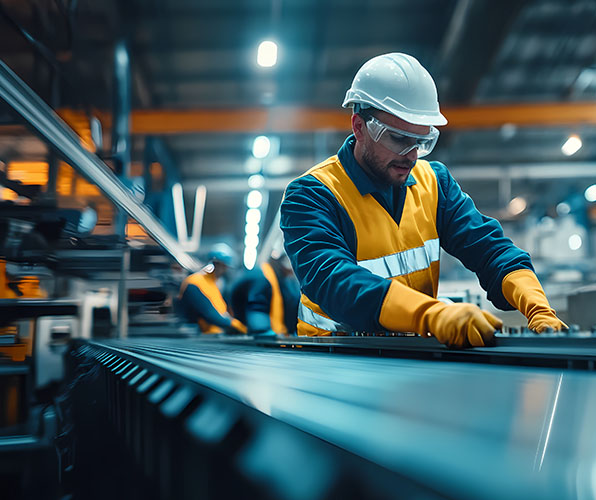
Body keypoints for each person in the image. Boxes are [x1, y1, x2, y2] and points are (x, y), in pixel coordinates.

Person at [280, 52, 566, 348]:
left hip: (411, 355)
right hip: (333, 361)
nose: (411, 155)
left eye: (421, 142)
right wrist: (429, 315)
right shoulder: (313, 195)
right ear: (359, 127)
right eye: (399, 139)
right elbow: (334, 281)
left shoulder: (435, 183)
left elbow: (489, 249)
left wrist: (537, 307)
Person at [177, 243, 247, 334]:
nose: (223, 269)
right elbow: (210, 314)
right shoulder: (194, 282)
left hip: (211, 334)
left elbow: (220, 311)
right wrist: (236, 324)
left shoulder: (213, 285)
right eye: (220, 265)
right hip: (193, 334)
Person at [229, 253, 300, 336]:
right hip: (250, 328)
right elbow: (257, 306)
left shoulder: (282, 281)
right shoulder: (263, 278)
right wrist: (262, 330)